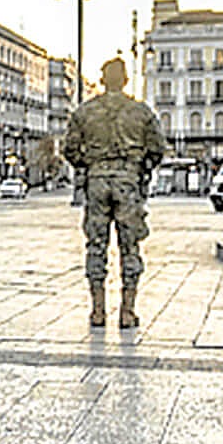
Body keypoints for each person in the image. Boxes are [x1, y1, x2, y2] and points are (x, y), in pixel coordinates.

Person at [60, 57, 170, 327]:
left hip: (97, 182)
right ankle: (127, 311)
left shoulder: (85, 112)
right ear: (124, 80)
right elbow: (157, 149)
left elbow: (69, 149)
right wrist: (140, 166)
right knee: (129, 246)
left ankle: (97, 311)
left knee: (96, 245)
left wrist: (89, 163)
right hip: (128, 182)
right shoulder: (141, 112)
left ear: (102, 79)